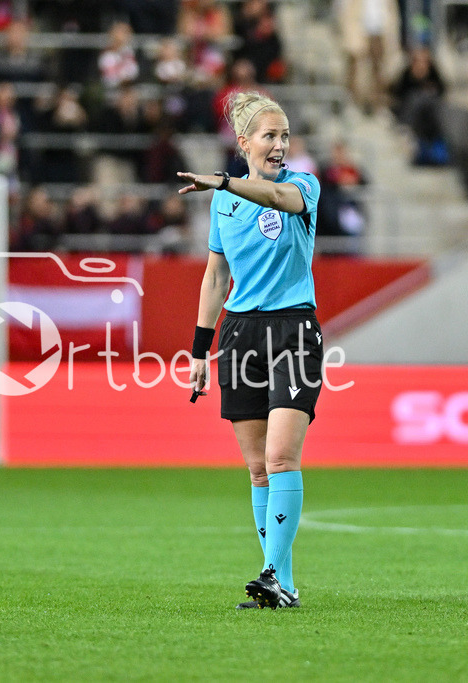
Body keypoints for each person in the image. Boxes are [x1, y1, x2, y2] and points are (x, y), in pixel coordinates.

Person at [178, 90, 321, 610]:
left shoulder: (304, 186)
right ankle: (278, 583)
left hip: (293, 331)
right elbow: (216, 276)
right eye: (270, 136)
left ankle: (273, 576)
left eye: (285, 136)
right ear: (245, 142)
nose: (280, 145)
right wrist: (199, 349)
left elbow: (279, 200)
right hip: (240, 335)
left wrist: (220, 180)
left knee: (282, 456)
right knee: (258, 469)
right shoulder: (225, 201)